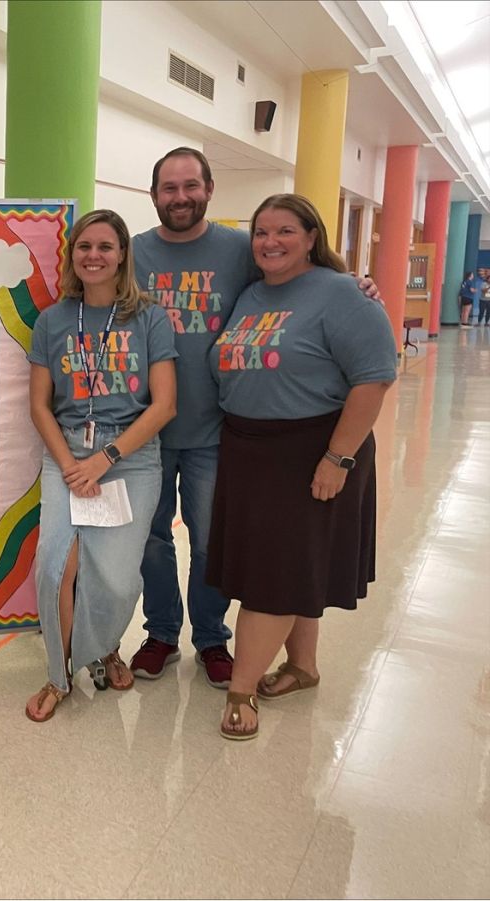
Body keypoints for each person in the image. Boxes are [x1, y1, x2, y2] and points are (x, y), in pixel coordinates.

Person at [129, 147, 381, 689]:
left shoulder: (240, 248)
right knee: (150, 541)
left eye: (190, 186)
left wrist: (356, 286)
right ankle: (161, 634)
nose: (180, 197)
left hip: (217, 433)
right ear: (153, 195)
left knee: (211, 543)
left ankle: (212, 639)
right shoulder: (133, 254)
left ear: (209, 189)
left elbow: (296, 277)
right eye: (169, 188)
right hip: (144, 430)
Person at [207, 193, 397, 740]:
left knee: (273, 578)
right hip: (251, 450)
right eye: (261, 232)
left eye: (285, 231)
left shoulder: (343, 294)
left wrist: (337, 458)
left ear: (312, 236)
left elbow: (374, 378)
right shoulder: (250, 294)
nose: (270, 242)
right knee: (296, 568)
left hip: (312, 450)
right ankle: (302, 667)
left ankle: (241, 691)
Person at [24, 209, 177, 722]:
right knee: (55, 565)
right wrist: (72, 464)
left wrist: (105, 459)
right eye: (84, 246)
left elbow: (164, 405)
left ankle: (104, 648)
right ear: (73, 256)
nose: (94, 255)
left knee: (113, 579)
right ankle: (57, 675)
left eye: (105, 247)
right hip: (67, 455)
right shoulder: (54, 320)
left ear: (122, 256)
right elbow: (40, 405)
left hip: (129, 458)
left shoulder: (150, 318)